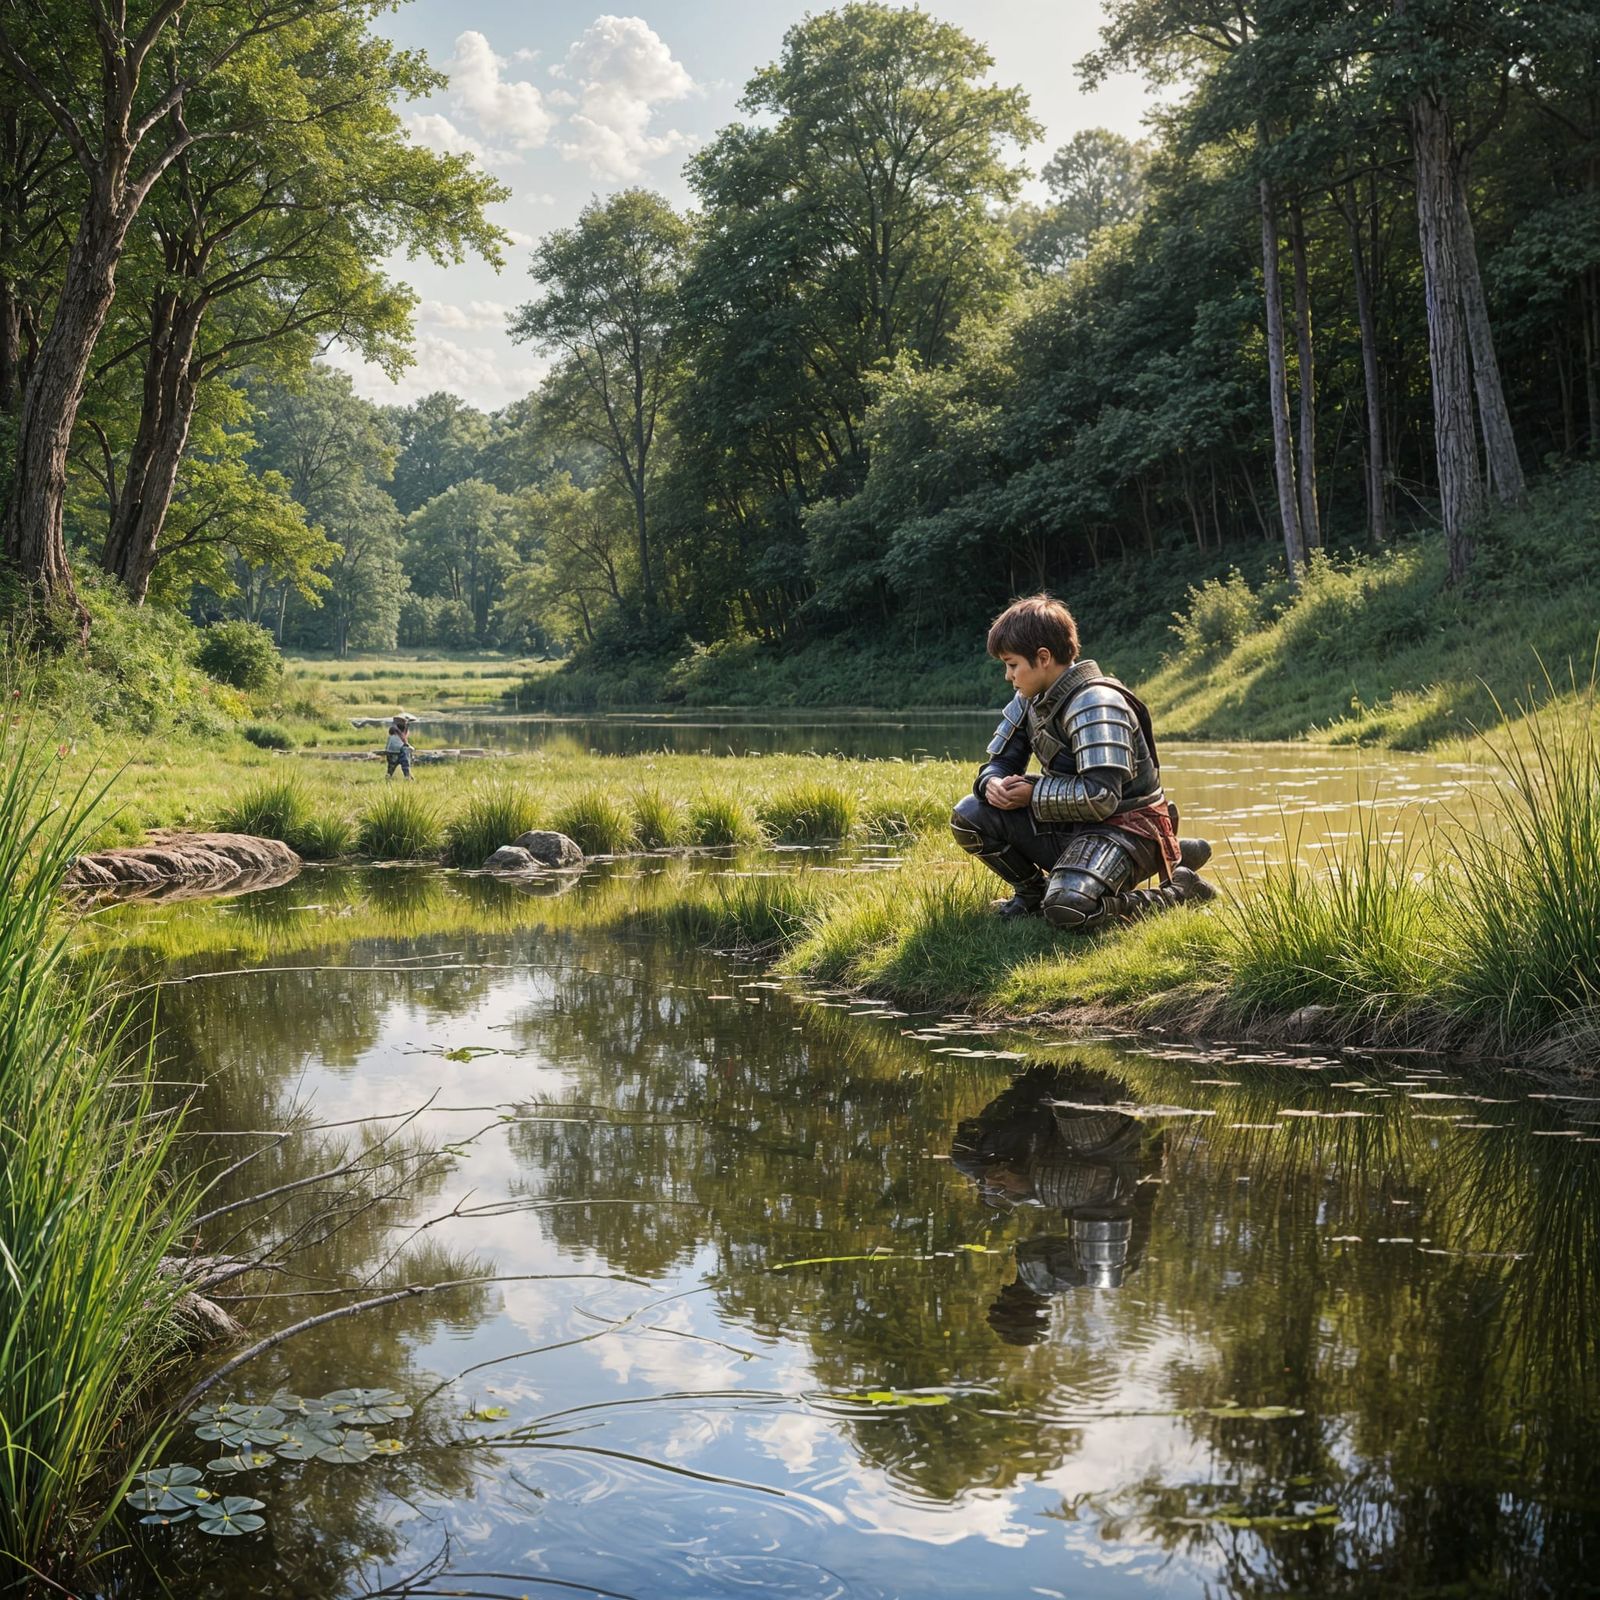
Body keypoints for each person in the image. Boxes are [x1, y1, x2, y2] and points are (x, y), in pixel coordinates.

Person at [950, 593, 1216, 928]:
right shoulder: (1030, 700)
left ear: (1043, 657)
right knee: (969, 815)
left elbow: (1102, 797)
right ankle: (1032, 893)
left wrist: (1033, 793)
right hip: (1072, 824)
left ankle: (1180, 891)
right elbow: (1000, 762)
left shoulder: (1097, 703)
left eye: (1012, 664)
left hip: (1125, 830)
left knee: (1069, 910)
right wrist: (992, 784)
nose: (1008, 676)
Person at [385, 715, 414, 780]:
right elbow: (404, 742)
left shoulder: (392, 735)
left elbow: (387, 746)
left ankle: (388, 777)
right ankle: (407, 777)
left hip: (391, 753)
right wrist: (408, 746)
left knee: (391, 768)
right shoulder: (400, 734)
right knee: (405, 765)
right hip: (399, 751)